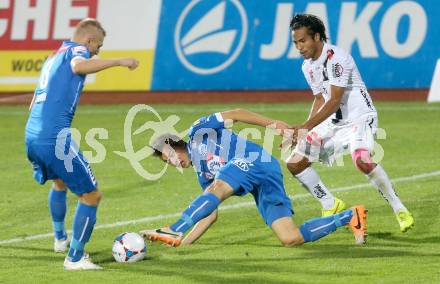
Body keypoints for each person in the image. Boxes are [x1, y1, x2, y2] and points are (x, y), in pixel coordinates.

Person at [140, 109, 367, 247]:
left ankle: (174, 227)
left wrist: (272, 124)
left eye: (169, 155)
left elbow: (237, 114)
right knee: (290, 238)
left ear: (175, 144)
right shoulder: (204, 174)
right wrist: (184, 242)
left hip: (255, 160)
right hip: (265, 178)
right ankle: (351, 217)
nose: (172, 162)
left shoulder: (198, 131)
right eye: (166, 162)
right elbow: (209, 215)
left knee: (218, 185)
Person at [25, 18, 139, 270]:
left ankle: (59, 239)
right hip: (54, 138)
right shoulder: (77, 52)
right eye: (98, 45)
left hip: (32, 136)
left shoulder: (52, 58)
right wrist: (120, 62)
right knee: (92, 195)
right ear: (88, 40)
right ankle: (75, 258)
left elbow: (33, 103)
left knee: (60, 181)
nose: (99, 51)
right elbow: (79, 66)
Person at [285, 13, 413, 232]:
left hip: (359, 118)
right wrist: (306, 128)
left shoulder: (337, 58)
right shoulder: (307, 66)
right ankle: (329, 203)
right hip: (333, 124)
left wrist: (306, 127)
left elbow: (334, 100)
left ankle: (399, 208)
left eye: (302, 41)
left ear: (316, 37)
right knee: (295, 162)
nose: (299, 47)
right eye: (295, 42)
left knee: (362, 161)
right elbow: (319, 99)